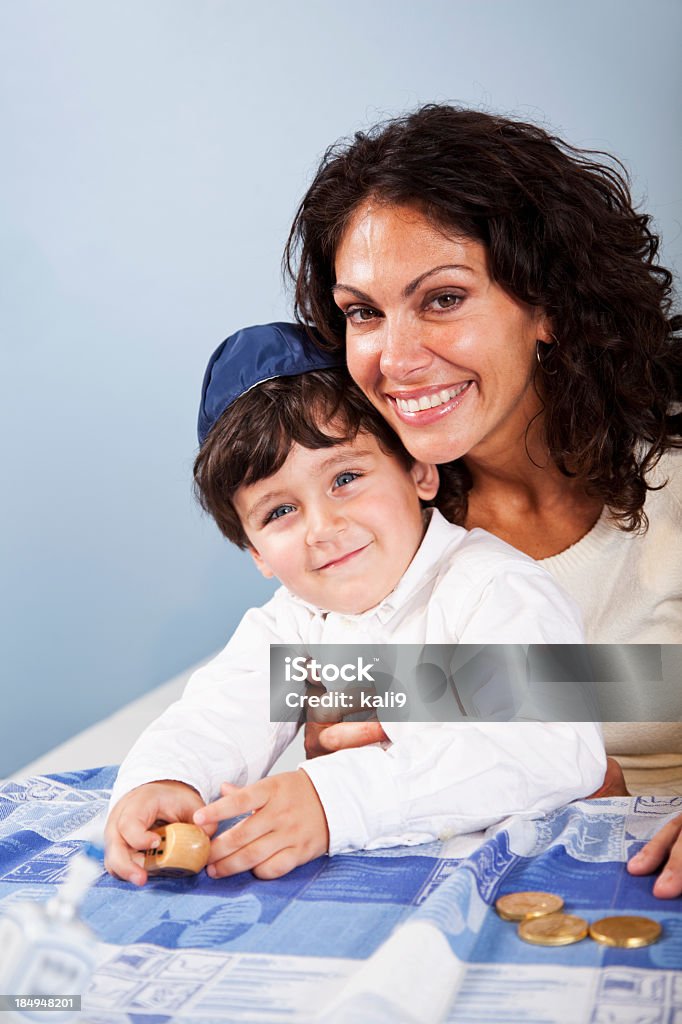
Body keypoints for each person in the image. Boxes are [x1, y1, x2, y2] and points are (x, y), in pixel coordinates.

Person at [284, 103, 682, 896]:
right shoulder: (371, 518)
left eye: (442, 299)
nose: (395, 359)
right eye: (364, 311)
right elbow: (316, 707)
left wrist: (502, 716)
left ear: (549, 307)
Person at [105, 322, 604, 885]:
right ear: (256, 553)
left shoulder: (496, 589)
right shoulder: (291, 625)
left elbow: (553, 749)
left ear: (418, 470)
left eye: (345, 477)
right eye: (278, 512)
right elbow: (217, 715)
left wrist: (335, 800)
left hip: (519, 883)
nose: (323, 527)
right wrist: (165, 780)